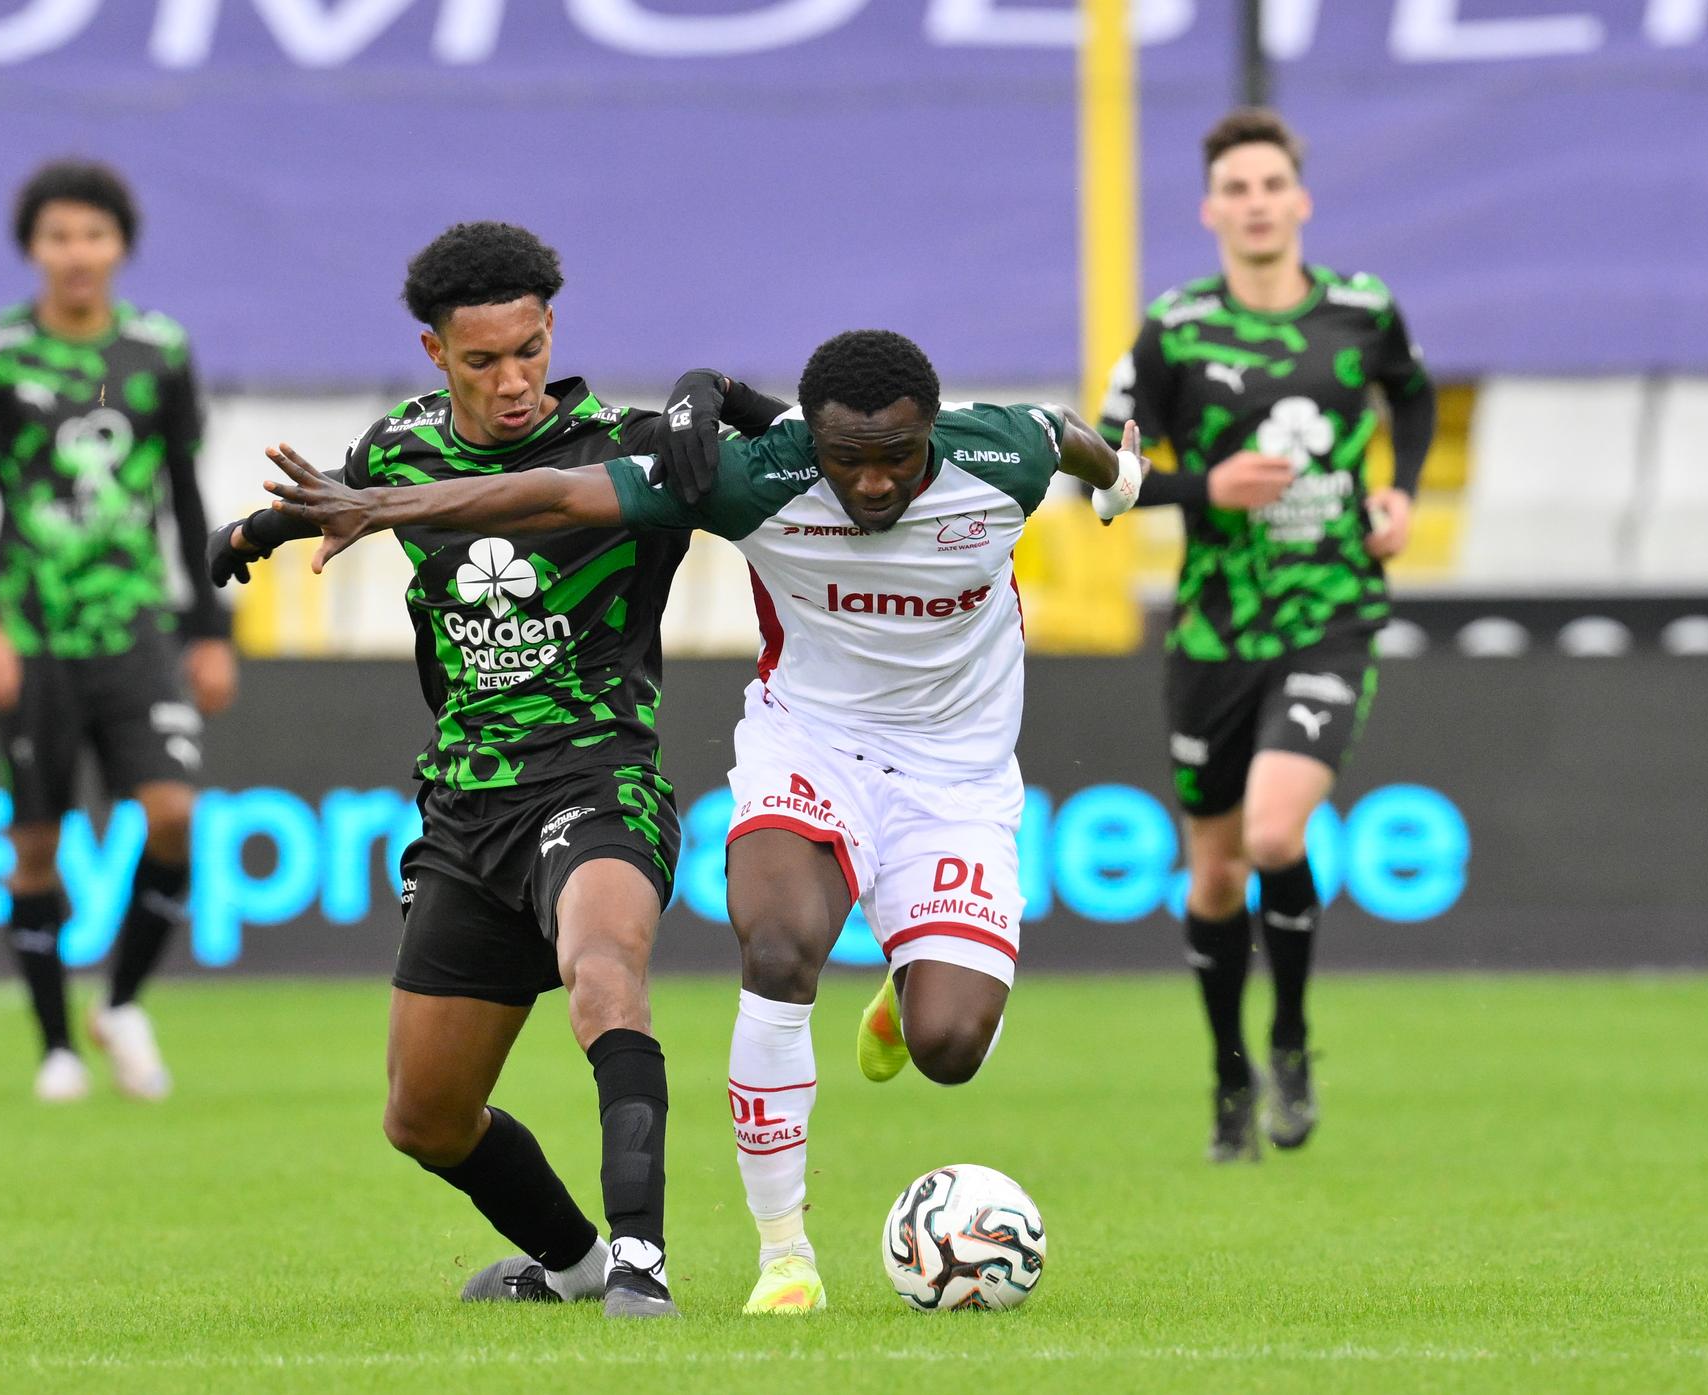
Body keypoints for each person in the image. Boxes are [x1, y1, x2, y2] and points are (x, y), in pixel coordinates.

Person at [256, 327, 1143, 1315]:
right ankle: (785, 1256)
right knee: (775, 948)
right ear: (815, 445)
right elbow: (550, 493)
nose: (878, 484)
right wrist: (378, 507)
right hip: (812, 745)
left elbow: (1073, 438)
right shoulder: (757, 479)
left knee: (949, 1045)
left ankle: (909, 975)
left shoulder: (999, 453)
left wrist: (1124, 475)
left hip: (958, 779)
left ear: (934, 432)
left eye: (900, 457)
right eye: (850, 462)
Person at [207, 220, 786, 1319]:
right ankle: (571, 1263)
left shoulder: (630, 446)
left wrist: (718, 394)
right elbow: (345, 494)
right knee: (422, 1116)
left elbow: (806, 456)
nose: (513, 379)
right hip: (468, 811)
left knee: (605, 972)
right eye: (483, 360)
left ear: (551, 327)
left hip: (599, 779)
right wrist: (249, 533)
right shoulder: (405, 445)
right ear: (436, 355)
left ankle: (643, 1262)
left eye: (529, 348)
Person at [1097, 108, 1436, 1162]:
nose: (1255, 204)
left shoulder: (1362, 309)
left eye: (1270, 186)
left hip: (1331, 611)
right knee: (1211, 877)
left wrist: (1400, 493)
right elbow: (1107, 479)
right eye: (1235, 189)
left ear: (1300, 200)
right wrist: (1208, 486)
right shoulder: (1173, 329)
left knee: (1276, 834)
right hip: (1215, 631)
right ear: (1211, 210)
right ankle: (1229, 1077)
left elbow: (1412, 395)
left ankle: (1289, 1036)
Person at [0, 159, 235, 1104]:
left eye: (94, 235)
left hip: (134, 627)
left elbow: (184, 497)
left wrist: (208, 626)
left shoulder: (158, 351)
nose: (77, 254)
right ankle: (54, 1049)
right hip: (32, 635)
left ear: (120, 245)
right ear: (33, 247)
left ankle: (116, 1003)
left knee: (174, 814)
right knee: (35, 844)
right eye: (58, 236)